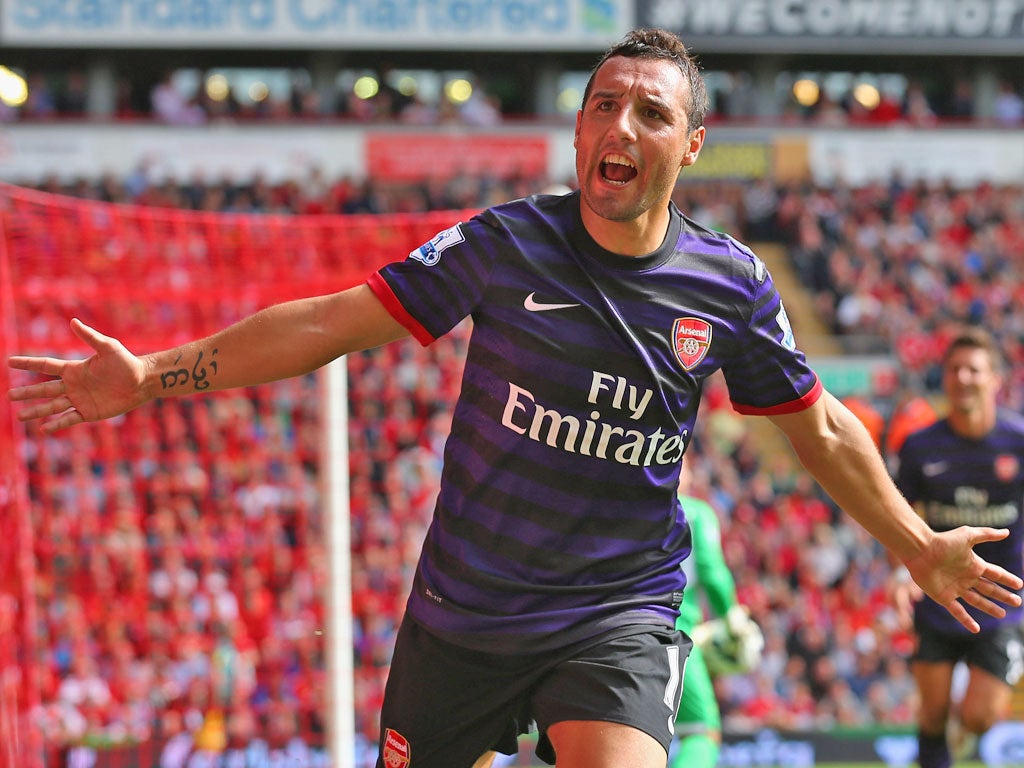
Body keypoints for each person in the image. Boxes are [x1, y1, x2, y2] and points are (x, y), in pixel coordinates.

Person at [7, 28, 1022, 768]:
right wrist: (151, 375)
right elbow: (328, 325)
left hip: (616, 609)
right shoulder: (502, 245)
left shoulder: (731, 287)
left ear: (692, 145)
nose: (615, 124)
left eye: (648, 111)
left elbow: (824, 428)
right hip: (464, 612)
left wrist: (911, 543)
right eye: (598, 103)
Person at [890, 327, 1024, 768]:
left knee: (980, 716)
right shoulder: (920, 446)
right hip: (938, 597)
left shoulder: (1018, 442)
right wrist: (898, 571)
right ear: (944, 378)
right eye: (954, 369)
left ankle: (965, 736)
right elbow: (896, 516)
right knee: (931, 713)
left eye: (974, 369)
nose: (963, 377)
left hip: (1004, 602)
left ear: (995, 379)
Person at [670, 459, 762, 768]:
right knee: (703, 731)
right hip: (669, 633)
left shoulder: (626, 509)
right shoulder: (694, 512)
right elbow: (712, 573)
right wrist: (732, 615)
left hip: (608, 632)